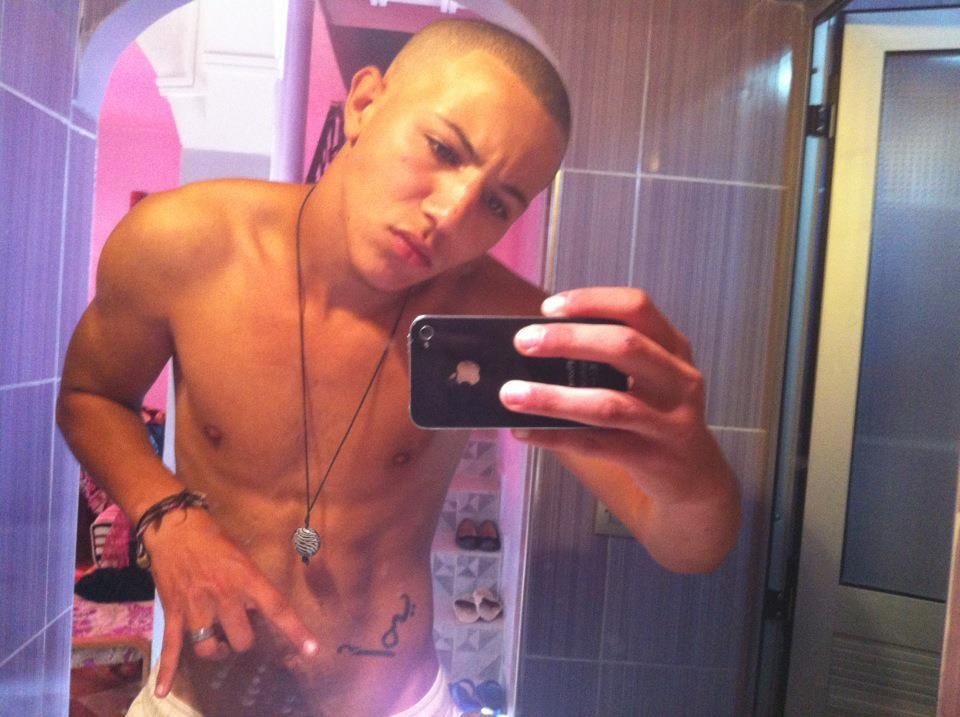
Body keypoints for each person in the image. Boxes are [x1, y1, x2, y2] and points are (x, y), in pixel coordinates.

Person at [57, 18, 740, 717]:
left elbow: (689, 545)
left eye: (497, 203)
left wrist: (689, 461)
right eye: (442, 149)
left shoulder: (507, 325)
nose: (451, 213)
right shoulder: (184, 245)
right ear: (364, 104)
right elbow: (89, 395)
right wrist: (167, 518)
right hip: (191, 701)